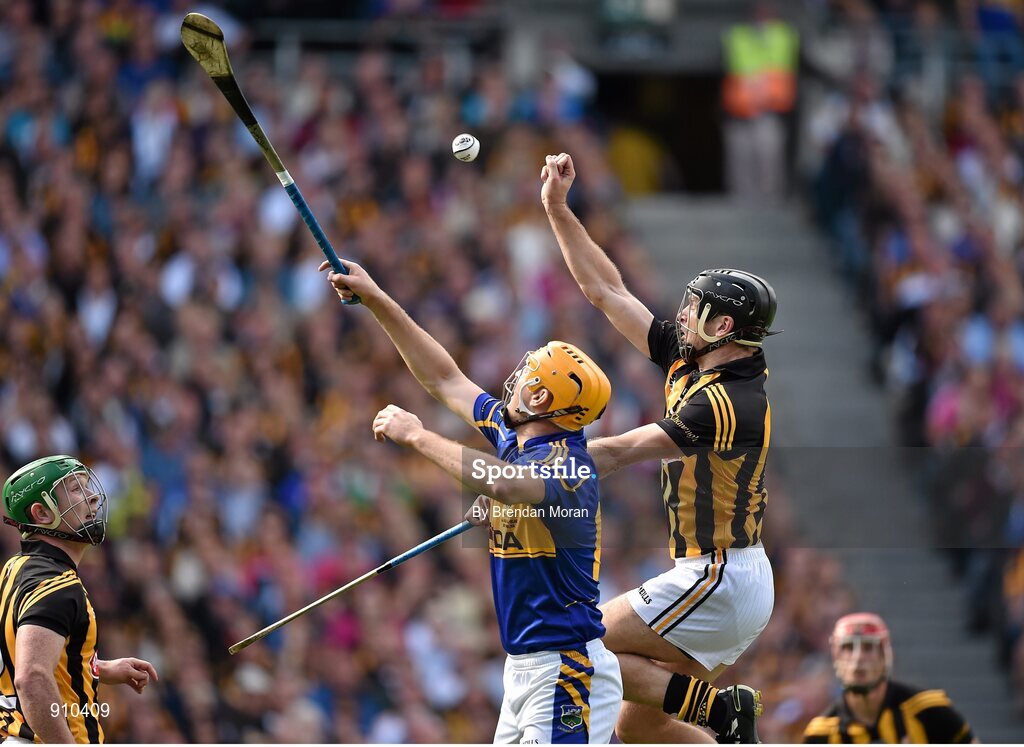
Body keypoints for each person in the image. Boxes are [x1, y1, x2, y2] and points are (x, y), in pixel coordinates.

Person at [321, 260, 623, 743]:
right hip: (525, 667)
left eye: (527, 374)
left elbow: (504, 485)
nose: (515, 377)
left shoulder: (569, 468)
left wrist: (417, 436)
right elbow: (444, 378)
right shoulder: (516, 437)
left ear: (542, 398)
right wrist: (376, 299)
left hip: (565, 667)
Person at [541, 152, 777, 744]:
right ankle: (721, 722)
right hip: (725, 578)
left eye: (698, 310)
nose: (683, 313)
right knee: (643, 729)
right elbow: (606, 290)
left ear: (724, 329)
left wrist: (531, 471)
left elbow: (620, 451)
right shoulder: (694, 359)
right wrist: (557, 208)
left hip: (718, 575)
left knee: (575, 640)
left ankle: (723, 713)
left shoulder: (728, 401)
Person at [0, 455, 159, 744]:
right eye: (76, 489)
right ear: (42, 513)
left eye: (88, 486)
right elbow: (31, 678)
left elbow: (19, 657)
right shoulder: (56, 585)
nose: (93, 497)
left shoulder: (14, 569)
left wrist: (100, 668)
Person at [803, 612, 977, 743]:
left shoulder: (928, 710)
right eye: (848, 647)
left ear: (884, 655)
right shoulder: (821, 733)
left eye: (868, 647)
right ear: (836, 655)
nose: (858, 658)